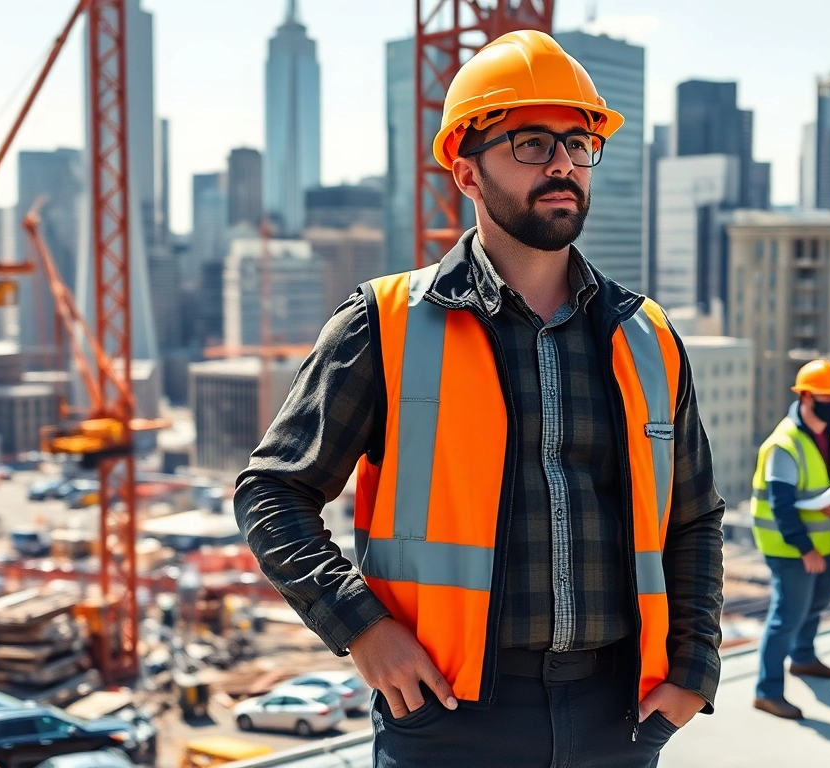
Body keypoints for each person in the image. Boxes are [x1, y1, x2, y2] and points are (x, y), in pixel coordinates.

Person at [235, 30, 724, 767]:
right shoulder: (387, 324)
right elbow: (272, 492)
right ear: (466, 172)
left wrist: (694, 670)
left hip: (617, 717)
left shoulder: (646, 336)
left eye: (578, 142)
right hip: (449, 719)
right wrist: (362, 630)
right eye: (531, 143)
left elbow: (692, 518)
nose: (562, 163)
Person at [751, 360, 830, 720]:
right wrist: (806, 549)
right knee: (787, 616)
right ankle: (767, 691)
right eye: (825, 395)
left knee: (818, 602)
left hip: (828, 540)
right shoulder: (783, 444)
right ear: (805, 396)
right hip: (791, 547)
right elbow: (781, 506)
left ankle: (802, 658)